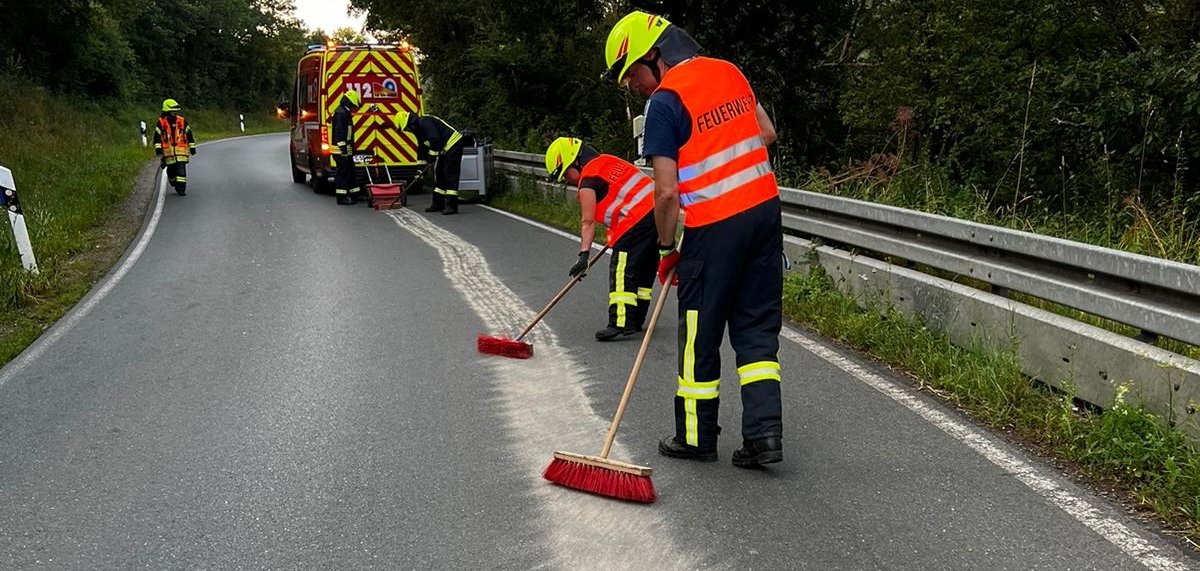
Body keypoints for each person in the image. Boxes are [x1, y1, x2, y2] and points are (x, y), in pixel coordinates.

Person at [604, 11, 784, 467]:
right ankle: (764, 436)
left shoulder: (664, 103)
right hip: (764, 215)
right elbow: (766, 133)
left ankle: (696, 436)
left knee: (699, 335)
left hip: (716, 226)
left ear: (653, 56)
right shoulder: (729, 71)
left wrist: (666, 250)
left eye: (634, 76)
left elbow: (664, 191)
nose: (636, 86)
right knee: (757, 330)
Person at [545, 137, 658, 340]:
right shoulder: (608, 161)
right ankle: (636, 319)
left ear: (574, 161)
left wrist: (583, 256)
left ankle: (620, 323)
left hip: (634, 219)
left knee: (622, 270)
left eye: (565, 174)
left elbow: (587, 221)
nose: (567, 180)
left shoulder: (587, 179)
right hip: (658, 213)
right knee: (645, 268)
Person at [392, 111, 466, 215]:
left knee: (450, 173)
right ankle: (438, 204)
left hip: (453, 143)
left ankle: (452, 206)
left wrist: (432, 158)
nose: (407, 131)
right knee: (440, 173)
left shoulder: (425, 122)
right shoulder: (419, 131)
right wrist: (420, 169)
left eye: (406, 128)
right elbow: (422, 150)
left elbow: (434, 139)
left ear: (410, 124)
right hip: (444, 148)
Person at [154, 99, 196, 196]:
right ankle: (173, 181)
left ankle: (181, 189)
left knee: (181, 171)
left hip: (181, 152)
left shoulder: (182, 121)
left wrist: (192, 147)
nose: (174, 113)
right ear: (167, 111)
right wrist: (158, 149)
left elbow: (189, 134)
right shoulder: (161, 122)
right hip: (168, 153)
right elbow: (157, 136)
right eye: (173, 111)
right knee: (171, 171)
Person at [331, 90, 363, 205]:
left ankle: (354, 195)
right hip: (340, 151)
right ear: (350, 102)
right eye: (354, 105)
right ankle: (342, 197)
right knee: (342, 174)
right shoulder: (341, 113)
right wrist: (343, 149)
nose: (355, 108)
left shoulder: (344, 111)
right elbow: (339, 133)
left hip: (345, 150)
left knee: (350, 172)